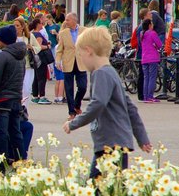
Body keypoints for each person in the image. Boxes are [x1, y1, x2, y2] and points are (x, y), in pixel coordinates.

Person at [63, 27, 152, 181]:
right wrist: (142, 137)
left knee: (98, 189)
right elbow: (130, 108)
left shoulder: (101, 73)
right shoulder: (111, 72)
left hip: (109, 143)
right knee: (114, 189)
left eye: (81, 55)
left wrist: (74, 123)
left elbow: (98, 104)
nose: (81, 60)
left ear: (89, 51)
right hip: (117, 142)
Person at [0, 25, 26, 164]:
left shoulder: (2, 56)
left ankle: (1, 166)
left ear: (4, 40)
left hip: (1, 100)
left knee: (1, 135)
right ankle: (21, 162)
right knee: (16, 133)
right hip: (16, 98)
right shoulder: (21, 56)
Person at [55, 13, 87, 118]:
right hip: (68, 62)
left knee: (82, 87)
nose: (65, 22)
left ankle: (77, 105)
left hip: (81, 62)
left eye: (67, 20)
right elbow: (59, 50)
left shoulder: (84, 30)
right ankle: (71, 112)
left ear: (74, 20)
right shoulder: (63, 33)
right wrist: (58, 61)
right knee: (68, 89)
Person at [139, 18, 162, 103]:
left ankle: (145, 96)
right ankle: (150, 96)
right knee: (152, 77)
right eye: (151, 24)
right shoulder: (153, 33)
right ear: (149, 25)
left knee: (146, 78)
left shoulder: (142, 34)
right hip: (153, 58)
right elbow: (159, 44)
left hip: (144, 58)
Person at [30, 17, 52, 105]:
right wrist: (47, 46)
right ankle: (41, 96)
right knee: (42, 77)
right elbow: (38, 47)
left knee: (36, 77)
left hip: (34, 58)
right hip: (41, 57)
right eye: (41, 23)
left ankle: (35, 96)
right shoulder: (38, 34)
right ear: (38, 24)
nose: (42, 25)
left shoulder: (31, 34)